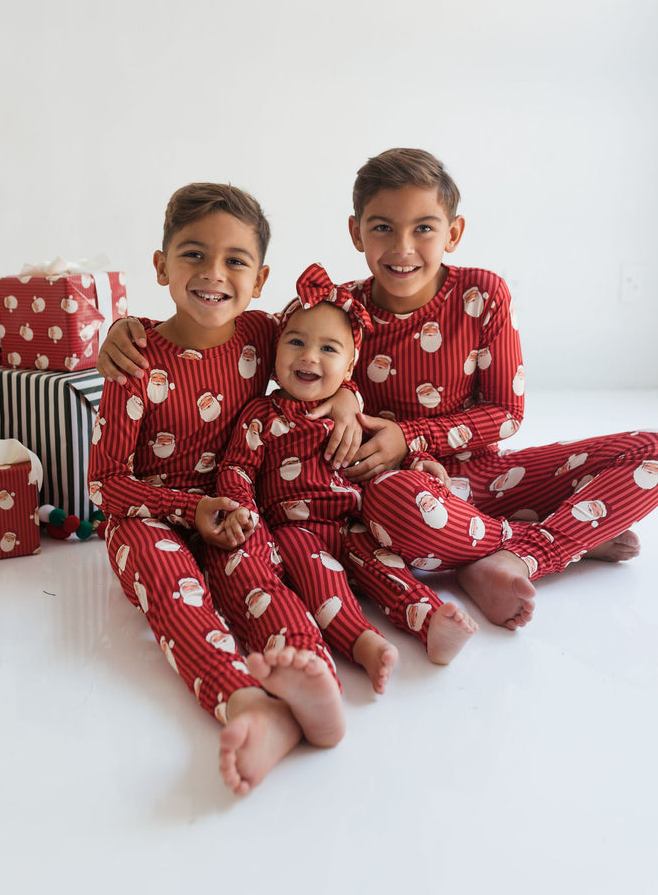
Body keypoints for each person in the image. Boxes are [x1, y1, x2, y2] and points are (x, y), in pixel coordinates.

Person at [87, 182, 351, 797]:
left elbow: (324, 355)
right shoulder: (136, 359)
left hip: (236, 505)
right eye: (193, 254)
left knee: (259, 579)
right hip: (145, 514)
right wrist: (187, 508)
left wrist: (345, 398)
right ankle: (247, 705)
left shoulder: (263, 335)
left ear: (259, 280)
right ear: (161, 266)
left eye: (235, 261)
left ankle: (312, 680)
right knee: (177, 593)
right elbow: (105, 485)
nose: (214, 273)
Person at [335, 147, 658, 629]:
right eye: (382, 227)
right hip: (404, 491)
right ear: (356, 232)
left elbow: (506, 413)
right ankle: (559, 536)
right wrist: (339, 391)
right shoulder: (341, 311)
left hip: (488, 478)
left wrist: (413, 436)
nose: (403, 246)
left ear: (454, 233)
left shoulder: (482, 294)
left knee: (650, 450)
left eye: (424, 227)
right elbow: (287, 357)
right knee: (399, 507)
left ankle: (511, 556)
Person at [201, 262, 477, 682]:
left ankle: (430, 620)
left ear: (349, 368)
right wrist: (238, 507)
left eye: (329, 349)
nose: (309, 356)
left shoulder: (352, 413)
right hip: (297, 531)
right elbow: (237, 466)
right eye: (296, 342)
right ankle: (365, 643)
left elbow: (379, 458)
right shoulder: (263, 414)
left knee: (385, 566)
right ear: (275, 355)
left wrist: (420, 467)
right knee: (320, 581)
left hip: (353, 521)